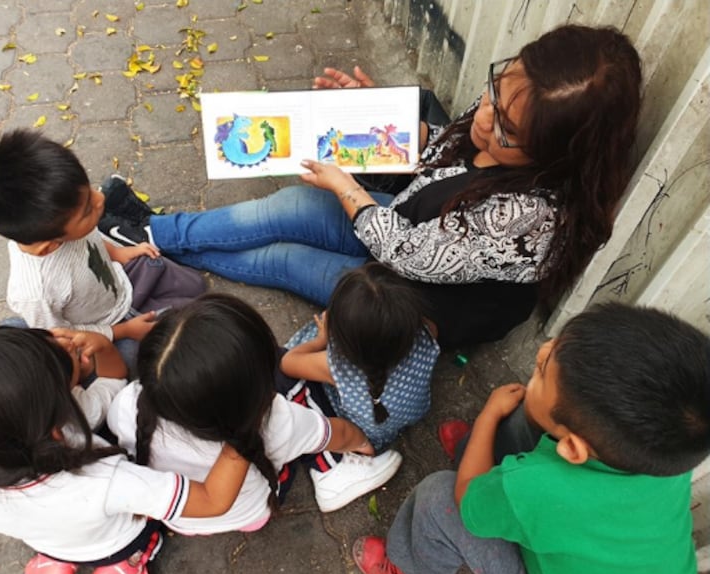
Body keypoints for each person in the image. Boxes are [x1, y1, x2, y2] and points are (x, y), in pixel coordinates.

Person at [99, 24, 642, 349]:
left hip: (415, 296)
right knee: (289, 203)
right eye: (497, 90)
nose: (485, 118)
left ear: (559, 151)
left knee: (285, 259)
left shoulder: (533, 220)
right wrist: (379, 125)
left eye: (508, 129)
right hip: (410, 217)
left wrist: (348, 188)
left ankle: (159, 251)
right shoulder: (511, 108)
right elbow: (440, 157)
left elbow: (410, 256)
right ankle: (150, 230)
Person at [351, 303, 710, 574]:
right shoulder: (666, 450)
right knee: (533, 417)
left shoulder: (541, 487)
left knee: (437, 499)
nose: (543, 349)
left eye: (541, 369)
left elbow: (466, 498)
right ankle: (478, 458)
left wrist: (489, 416)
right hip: (635, 573)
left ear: (572, 450)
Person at [0, 326, 251, 574]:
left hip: (51, 537)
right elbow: (211, 501)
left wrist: (100, 344)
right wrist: (243, 433)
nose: (64, 343)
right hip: (114, 540)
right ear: (59, 426)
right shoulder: (105, 478)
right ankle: (124, 569)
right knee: (146, 532)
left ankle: (54, 563)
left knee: (63, 534)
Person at [107, 293, 403, 525]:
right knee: (290, 376)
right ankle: (331, 472)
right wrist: (363, 441)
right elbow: (336, 433)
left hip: (185, 516)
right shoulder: (275, 419)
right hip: (252, 513)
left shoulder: (125, 406)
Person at [0, 130, 206, 374]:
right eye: (88, 210)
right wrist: (124, 331)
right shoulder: (37, 293)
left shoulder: (59, 225)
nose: (101, 199)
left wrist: (121, 254)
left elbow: (92, 239)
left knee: (196, 286)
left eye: (89, 190)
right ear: (50, 246)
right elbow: (67, 337)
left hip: (122, 282)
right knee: (138, 359)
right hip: (105, 326)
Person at [281, 262, 440, 452]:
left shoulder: (336, 367)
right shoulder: (425, 332)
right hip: (412, 413)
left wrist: (321, 340)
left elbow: (287, 362)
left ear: (342, 340)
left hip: (367, 435)